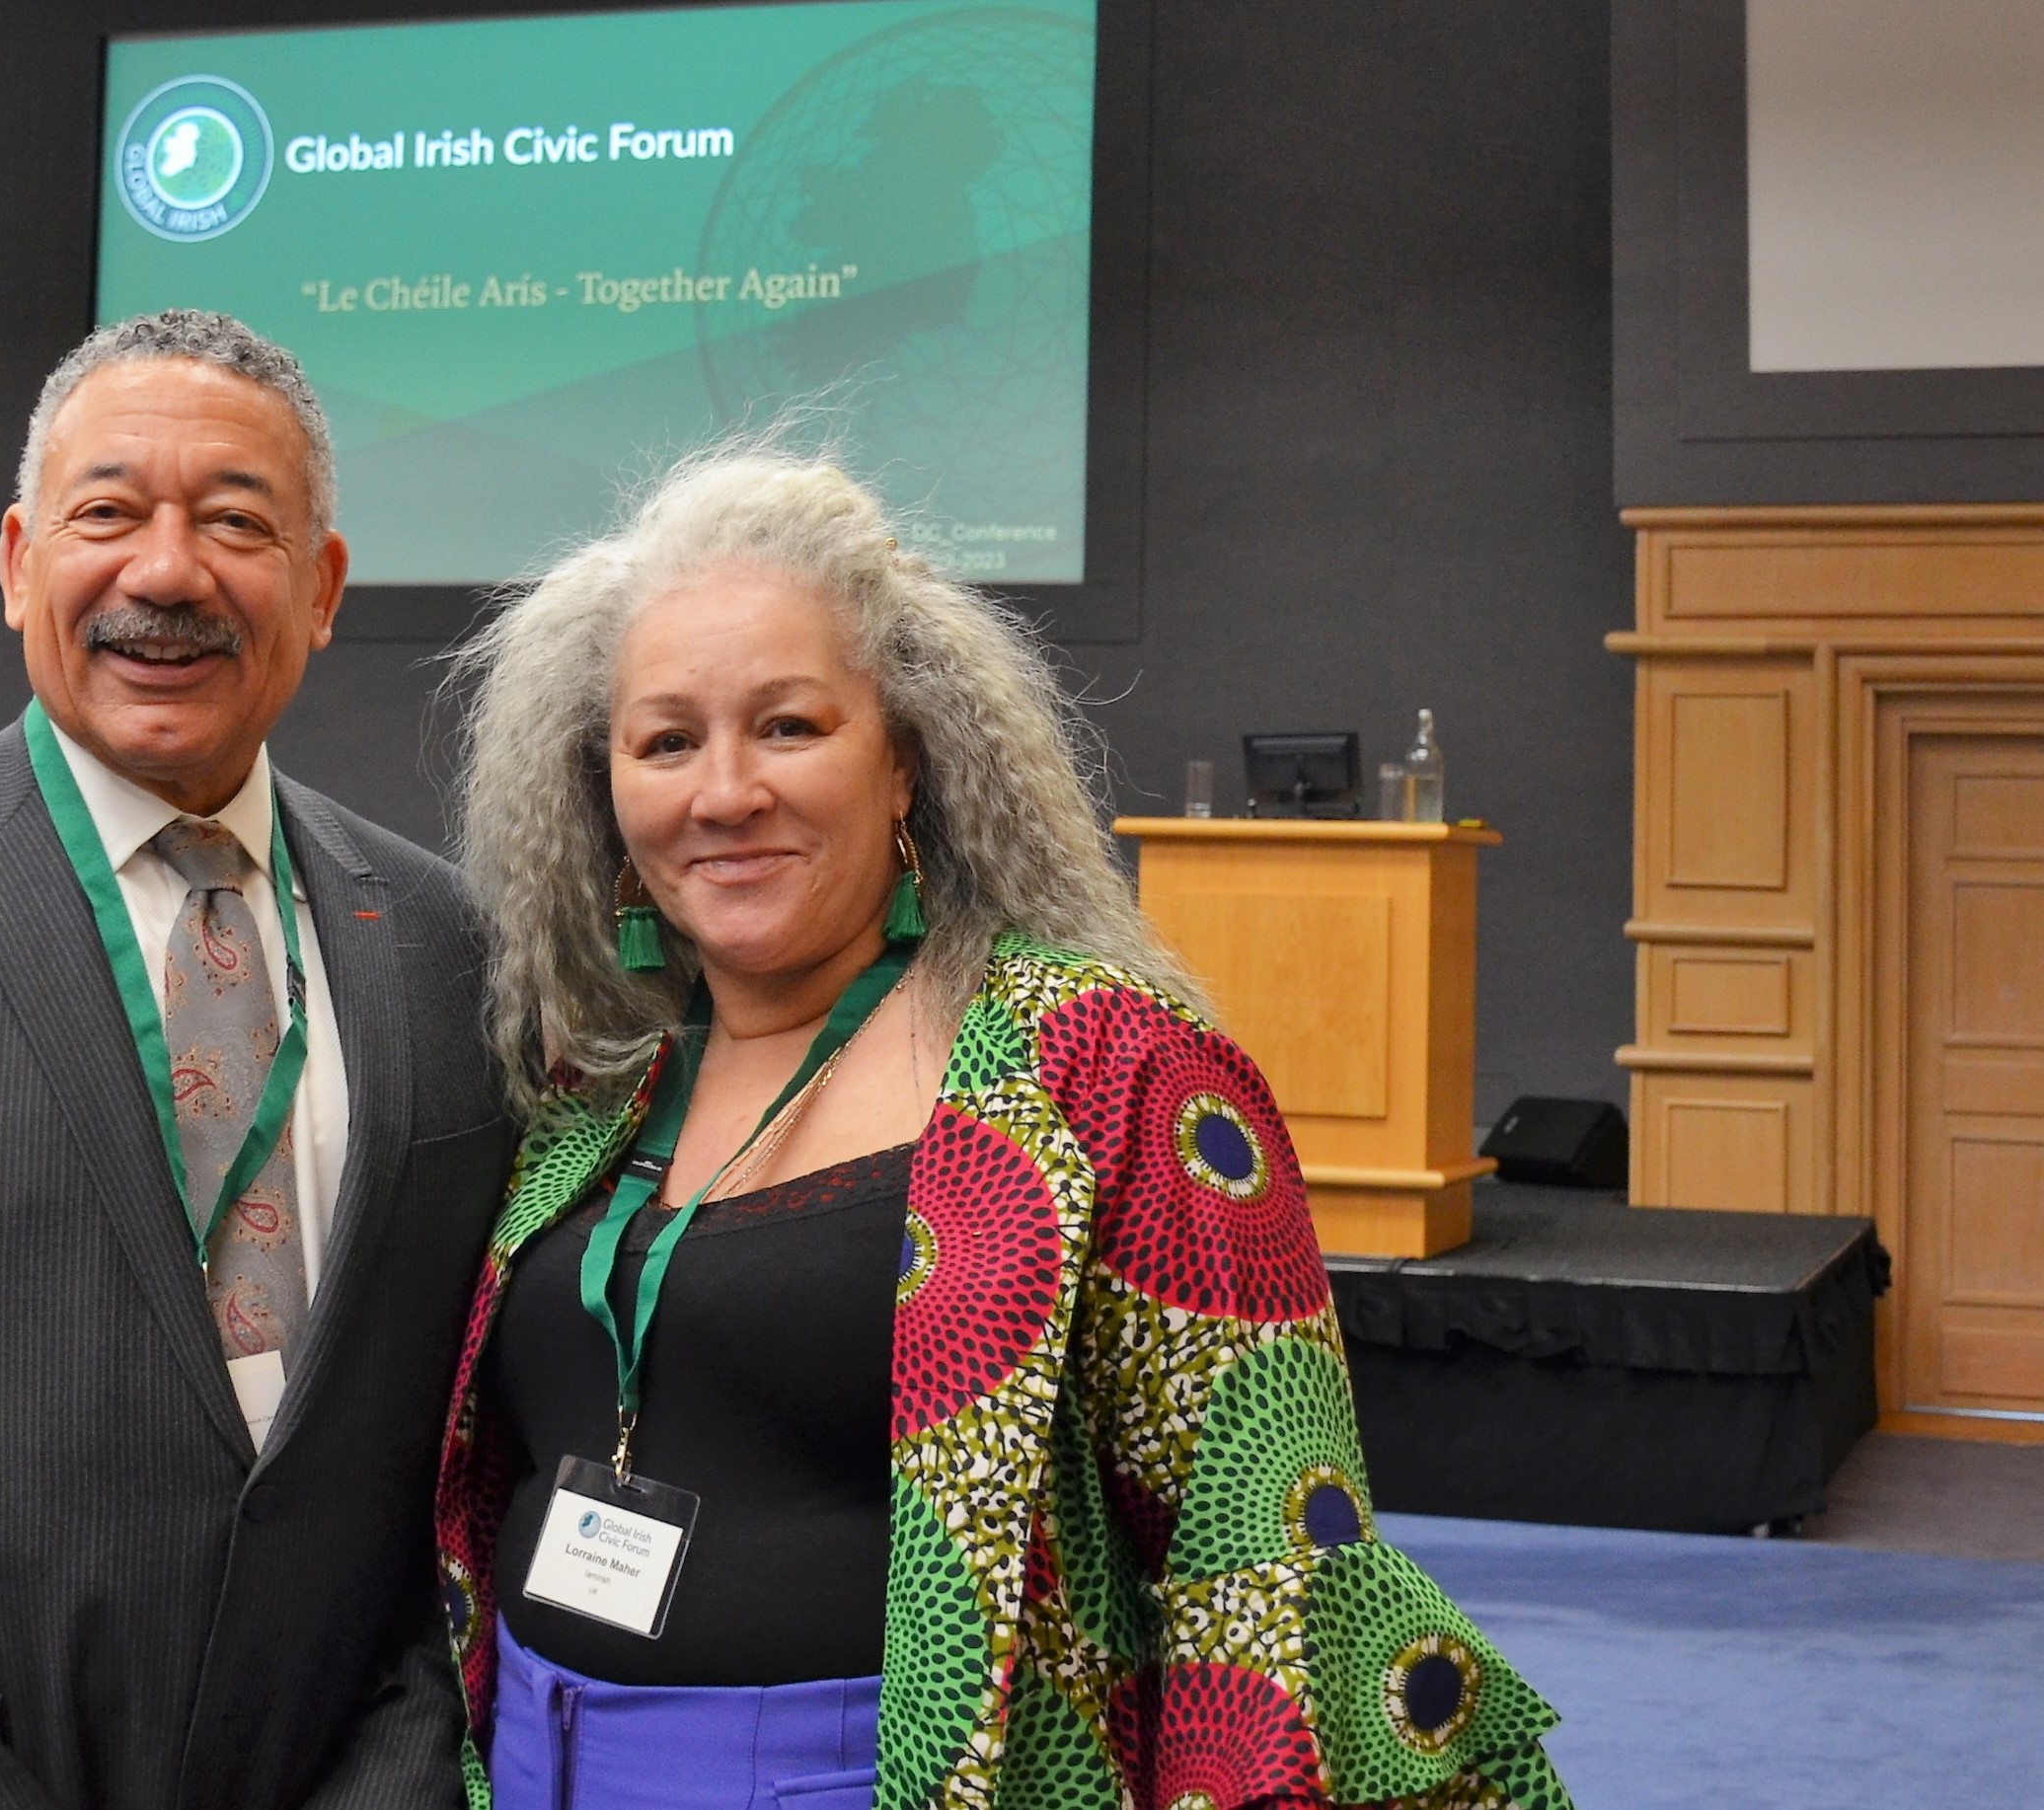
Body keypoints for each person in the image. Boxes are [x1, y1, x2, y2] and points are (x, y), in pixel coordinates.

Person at [430, 445, 1571, 1810]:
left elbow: (1262, 1558)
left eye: (790, 726)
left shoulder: (1108, 1067)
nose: (725, 791)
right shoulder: (592, 1088)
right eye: (666, 740)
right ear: (604, 792)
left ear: (907, 761)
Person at [0, 310, 513, 1810]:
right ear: (16, 563)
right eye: (108, 512)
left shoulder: (443, 941)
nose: (168, 573)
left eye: (236, 522)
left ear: (320, 588)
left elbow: (451, 1453)